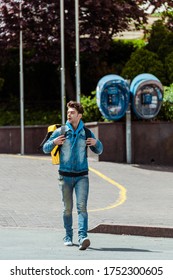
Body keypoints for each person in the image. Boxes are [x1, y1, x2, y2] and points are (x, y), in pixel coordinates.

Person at [43, 101, 103, 250]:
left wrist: (96, 143)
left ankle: (83, 237)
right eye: (68, 112)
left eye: (72, 112)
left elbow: (99, 150)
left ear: (79, 116)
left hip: (82, 176)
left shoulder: (87, 133)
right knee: (67, 209)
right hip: (65, 176)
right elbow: (45, 148)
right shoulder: (61, 131)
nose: (69, 114)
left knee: (82, 207)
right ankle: (68, 235)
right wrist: (54, 142)